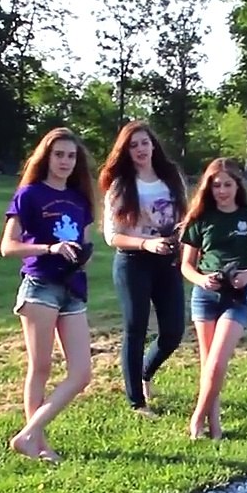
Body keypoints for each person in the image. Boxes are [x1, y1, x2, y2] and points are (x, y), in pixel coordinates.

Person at [0, 127, 98, 464]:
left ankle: (27, 434)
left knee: (82, 373)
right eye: (59, 155)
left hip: (73, 290)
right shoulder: (29, 195)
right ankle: (38, 445)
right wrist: (50, 248)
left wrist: (81, 254)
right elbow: (7, 247)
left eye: (71, 156)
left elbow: (84, 245)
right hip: (40, 285)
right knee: (40, 367)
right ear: (47, 156)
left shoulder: (81, 199)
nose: (66, 161)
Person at [97, 121, 190, 416]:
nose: (140, 149)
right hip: (133, 262)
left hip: (168, 261)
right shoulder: (120, 185)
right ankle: (137, 402)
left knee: (173, 331)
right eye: (133, 145)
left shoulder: (171, 176)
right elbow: (112, 236)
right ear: (126, 151)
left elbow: (186, 216)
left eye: (144, 143)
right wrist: (146, 244)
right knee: (135, 329)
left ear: (153, 145)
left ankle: (145, 372)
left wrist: (183, 240)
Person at [178, 158, 247, 440]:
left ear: (238, 186)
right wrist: (201, 279)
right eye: (216, 185)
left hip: (237, 297)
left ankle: (197, 418)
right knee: (208, 365)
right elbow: (186, 266)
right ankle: (215, 425)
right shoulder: (200, 219)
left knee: (218, 362)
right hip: (205, 295)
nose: (222, 191)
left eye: (227, 185)